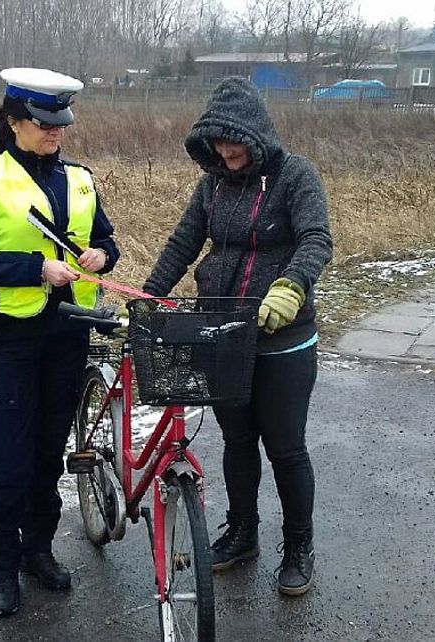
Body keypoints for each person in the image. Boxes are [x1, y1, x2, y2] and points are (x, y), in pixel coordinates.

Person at [142, 77, 332, 596]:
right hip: (222, 334)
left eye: (235, 141)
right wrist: (151, 295)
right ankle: (242, 532)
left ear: (255, 134)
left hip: (281, 337)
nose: (226, 151)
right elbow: (184, 241)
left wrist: (292, 285)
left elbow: (317, 238)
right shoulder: (212, 185)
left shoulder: (295, 176)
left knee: (286, 448)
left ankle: (298, 546)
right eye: (217, 142)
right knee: (238, 440)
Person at [0, 67, 120, 617]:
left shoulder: (81, 179)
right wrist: (33, 269)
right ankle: (1, 565)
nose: (57, 134)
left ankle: (37, 551)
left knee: (49, 452)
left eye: (61, 125)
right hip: (9, 339)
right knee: (10, 459)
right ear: (16, 122)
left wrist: (101, 257)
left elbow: (104, 240)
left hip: (67, 333)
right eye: (45, 125)